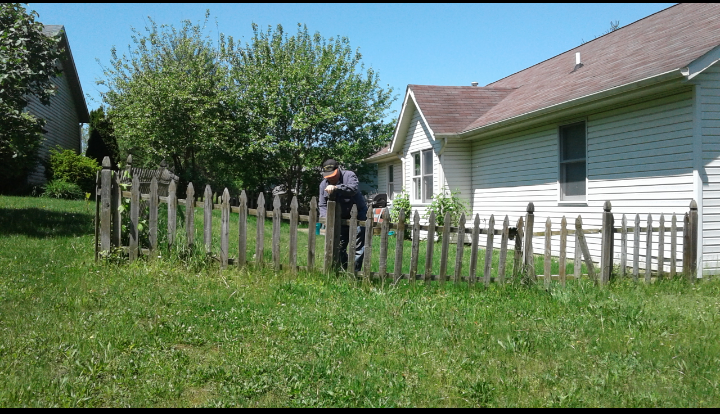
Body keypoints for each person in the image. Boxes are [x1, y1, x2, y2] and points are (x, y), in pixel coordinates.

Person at [318, 158, 368, 272]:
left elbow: (353, 188)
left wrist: (337, 188)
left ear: (338, 169)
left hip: (358, 215)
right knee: (339, 247)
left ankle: (354, 273)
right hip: (339, 218)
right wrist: (326, 219)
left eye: (332, 175)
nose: (330, 178)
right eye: (327, 176)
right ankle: (344, 269)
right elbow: (322, 204)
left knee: (358, 248)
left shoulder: (349, 175)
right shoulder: (323, 184)